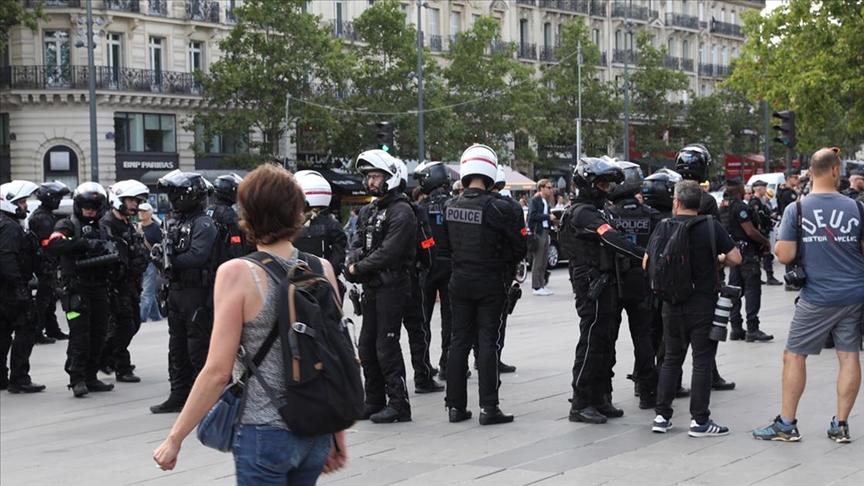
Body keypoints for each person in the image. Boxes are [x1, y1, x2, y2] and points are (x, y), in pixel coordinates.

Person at [153, 163, 347, 482]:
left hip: (265, 431)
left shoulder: (237, 273)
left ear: (248, 214)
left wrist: (174, 439)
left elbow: (217, 371)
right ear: (297, 212)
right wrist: (337, 433)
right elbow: (335, 355)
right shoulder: (322, 268)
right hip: (316, 428)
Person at [752, 148, 864, 444]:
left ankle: (787, 424)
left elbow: (785, 254)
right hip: (854, 294)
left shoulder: (797, 210)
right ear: (836, 171)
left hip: (817, 296)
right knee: (849, 355)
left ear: (810, 173)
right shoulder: (858, 209)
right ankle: (841, 425)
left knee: (794, 355)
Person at [647, 180, 742, 437]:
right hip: (703, 304)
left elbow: (647, 262)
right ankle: (700, 421)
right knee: (702, 361)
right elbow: (736, 258)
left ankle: (661, 416)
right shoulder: (710, 226)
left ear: (676, 202)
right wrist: (718, 259)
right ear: (699, 203)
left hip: (671, 303)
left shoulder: (663, 226)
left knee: (670, 360)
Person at [442, 144, 526, 425]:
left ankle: (455, 407)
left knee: (458, 342)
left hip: (460, 280)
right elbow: (519, 246)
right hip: (490, 281)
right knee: (488, 343)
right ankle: (489, 408)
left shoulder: (450, 205)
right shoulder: (497, 208)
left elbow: (444, 246)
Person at [559, 158, 646, 424]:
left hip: (606, 281)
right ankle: (582, 402)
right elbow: (610, 237)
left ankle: (601, 398)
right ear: (589, 185)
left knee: (606, 341)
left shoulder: (599, 209)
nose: (607, 189)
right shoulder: (582, 212)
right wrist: (644, 255)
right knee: (592, 342)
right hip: (591, 285)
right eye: (603, 184)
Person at [346, 149, 417, 424]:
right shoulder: (369, 210)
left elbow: (389, 251)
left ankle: (399, 404)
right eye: (369, 177)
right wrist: (352, 262)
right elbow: (357, 243)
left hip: (393, 287)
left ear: (392, 177)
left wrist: (357, 268)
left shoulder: (402, 211)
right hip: (372, 287)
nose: (371, 182)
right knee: (366, 346)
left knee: (386, 345)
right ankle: (373, 399)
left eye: (376, 176)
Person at [150, 170, 219, 414]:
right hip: (177, 290)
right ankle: (179, 395)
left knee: (197, 347)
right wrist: (159, 257)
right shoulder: (177, 222)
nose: (173, 198)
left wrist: (170, 260)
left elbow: (197, 256)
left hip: (196, 292)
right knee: (176, 347)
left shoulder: (203, 223)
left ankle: (206, 399)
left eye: (177, 194)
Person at [675, 144, 736, 392]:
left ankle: (663, 380)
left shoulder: (669, 193)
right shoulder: (706, 200)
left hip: (669, 273)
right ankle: (709, 375)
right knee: (707, 330)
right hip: (702, 274)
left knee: (668, 336)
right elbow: (716, 237)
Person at [46, 182, 116, 397]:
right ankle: (77, 379)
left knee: (99, 334)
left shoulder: (103, 229)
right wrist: (84, 244)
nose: (90, 210)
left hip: (100, 289)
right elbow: (54, 244)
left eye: (94, 206)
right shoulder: (67, 225)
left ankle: (91, 376)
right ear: (78, 205)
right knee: (80, 336)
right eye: (86, 206)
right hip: (77, 289)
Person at [605, 162, 661, 410]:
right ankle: (647, 392)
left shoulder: (607, 216)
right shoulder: (652, 216)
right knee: (644, 339)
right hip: (642, 283)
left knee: (608, 340)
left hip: (614, 283)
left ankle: (605, 395)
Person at [99, 180, 150, 383]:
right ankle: (119, 364)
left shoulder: (126, 224)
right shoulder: (108, 224)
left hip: (130, 283)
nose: (134, 205)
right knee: (124, 325)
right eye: (130, 200)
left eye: (136, 201)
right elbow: (117, 258)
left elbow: (137, 251)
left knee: (133, 324)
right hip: (116, 285)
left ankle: (106, 357)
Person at [0, 180, 46, 394]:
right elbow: (7, 258)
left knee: (3, 333)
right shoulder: (9, 227)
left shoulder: (6, 224)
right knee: (27, 328)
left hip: (5, 288)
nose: (25, 206)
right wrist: (18, 286)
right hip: (11, 288)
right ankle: (19, 378)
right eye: (21, 201)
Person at [719, 178, 773, 342]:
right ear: (739, 189)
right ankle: (752, 328)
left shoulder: (723, 207)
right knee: (752, 289)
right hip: (747, 253)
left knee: (735, 289)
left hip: (733, 252)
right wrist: (765, 241)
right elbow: (749, 231)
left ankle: (736, 328)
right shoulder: (740, 207)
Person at [490, 165, 525, 374]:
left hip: (466, 271)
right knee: (498, 319)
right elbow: (521, 241)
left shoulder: (465, 203)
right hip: (501, 270)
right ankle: (493, 357)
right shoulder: (511, 207)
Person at [293, 170, 348, 300]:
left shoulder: (292, 222)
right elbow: (339, 256)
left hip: (298, 284)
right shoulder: (331, 223)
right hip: (324, 283)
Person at [28, 180, 71, 344]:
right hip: (44, 264)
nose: (59, 201)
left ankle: (52, 329)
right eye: (57, 197)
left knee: (50, 298)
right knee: (43, 299)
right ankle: (37, 332)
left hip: (47, 263)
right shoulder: (43, 219)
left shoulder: (45, 215)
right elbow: (48, 244)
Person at [207, 173, 246, 269]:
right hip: (225, 264)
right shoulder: (229, 215)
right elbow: (236, 245)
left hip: (209, 263)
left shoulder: (209, 210)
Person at [750, 180, 782, 286]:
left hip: (765, 230)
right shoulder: (755, 201)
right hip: (761, 232)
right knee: (765, 254)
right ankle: (768, 276)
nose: (766, 190)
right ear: (759, 189)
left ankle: (765, 276)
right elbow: (756, 217)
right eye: (764, 188)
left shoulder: (761, 200)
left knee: (763, 254)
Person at [528, 179, 556, 296]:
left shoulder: (545, 201)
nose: (550, 190)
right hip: (538, 232)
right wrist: (548, 217)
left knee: (544, 260)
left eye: (551, 187)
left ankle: (541, 284)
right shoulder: (535, 200)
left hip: (545, 231)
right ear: (541, 188)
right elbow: (532, 215)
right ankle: (536, 286)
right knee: (538, 260)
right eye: (548, 188)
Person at [138, 203, 164, 323]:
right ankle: (156, 316)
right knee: (148, 292)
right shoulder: (137, 227)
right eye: (140, 211)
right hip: (139, 263)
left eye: (144, 211)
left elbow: (162, 246)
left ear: (150, 213)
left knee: (146, 292)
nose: (141, 213)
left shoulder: (156, 229)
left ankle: (141, 318)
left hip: (151, 263)